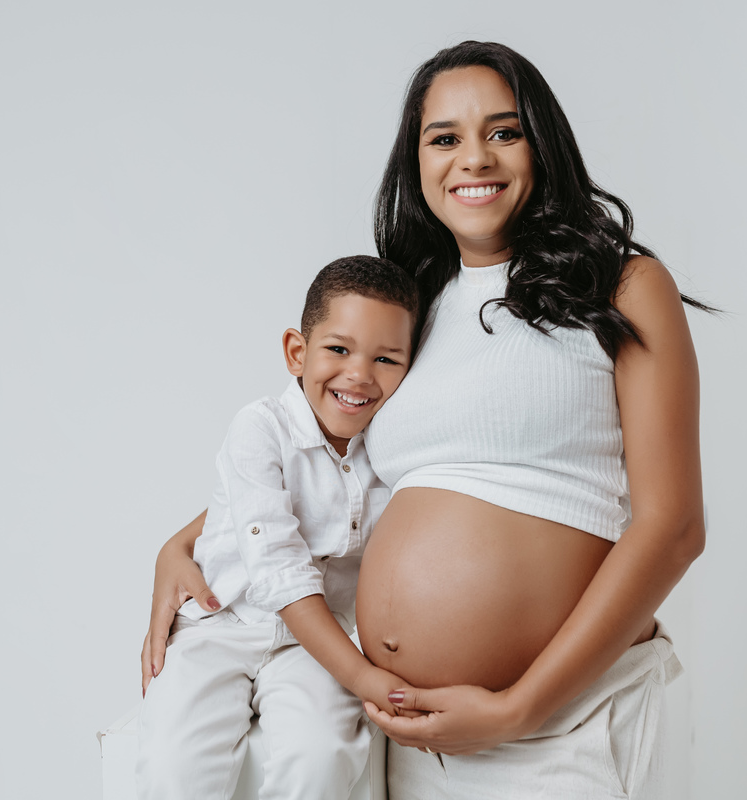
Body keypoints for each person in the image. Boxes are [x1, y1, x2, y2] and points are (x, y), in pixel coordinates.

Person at [143, 41, 707, 798]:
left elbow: (673, 527)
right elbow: (320, 455)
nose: (474, 158)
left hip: (560, 723)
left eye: (504, 132)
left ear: (543, 145)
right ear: (416, 163)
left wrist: (518, 707)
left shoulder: (623, 284)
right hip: (403, 735)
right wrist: (182, 543)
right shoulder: (411, 305)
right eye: (445, 138)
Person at [136, 255, 419, 800]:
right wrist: (363, 677)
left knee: (322, 756)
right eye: (339, 349)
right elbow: (277, 569)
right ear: (297, 352)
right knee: (172, 763)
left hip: (316, 642)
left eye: (386, 358)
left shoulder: (394, 452)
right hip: (220, 624)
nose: (360, 374)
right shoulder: (260, 428)